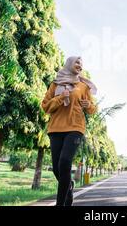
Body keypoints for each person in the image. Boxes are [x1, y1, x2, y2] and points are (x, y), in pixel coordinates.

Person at [41, 56, 97, 206]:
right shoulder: (55, 84)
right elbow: (45, 107)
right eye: (77, 62)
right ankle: (69, 187)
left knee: (65, 162)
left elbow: (93, 109)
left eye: (81, 63)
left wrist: (88, 105)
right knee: (56, 168)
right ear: (69, 64)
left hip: (76, 127)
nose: (80, 65)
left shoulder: (83, 86)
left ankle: (61, 203)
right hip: (56, 128)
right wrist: (60, 98)